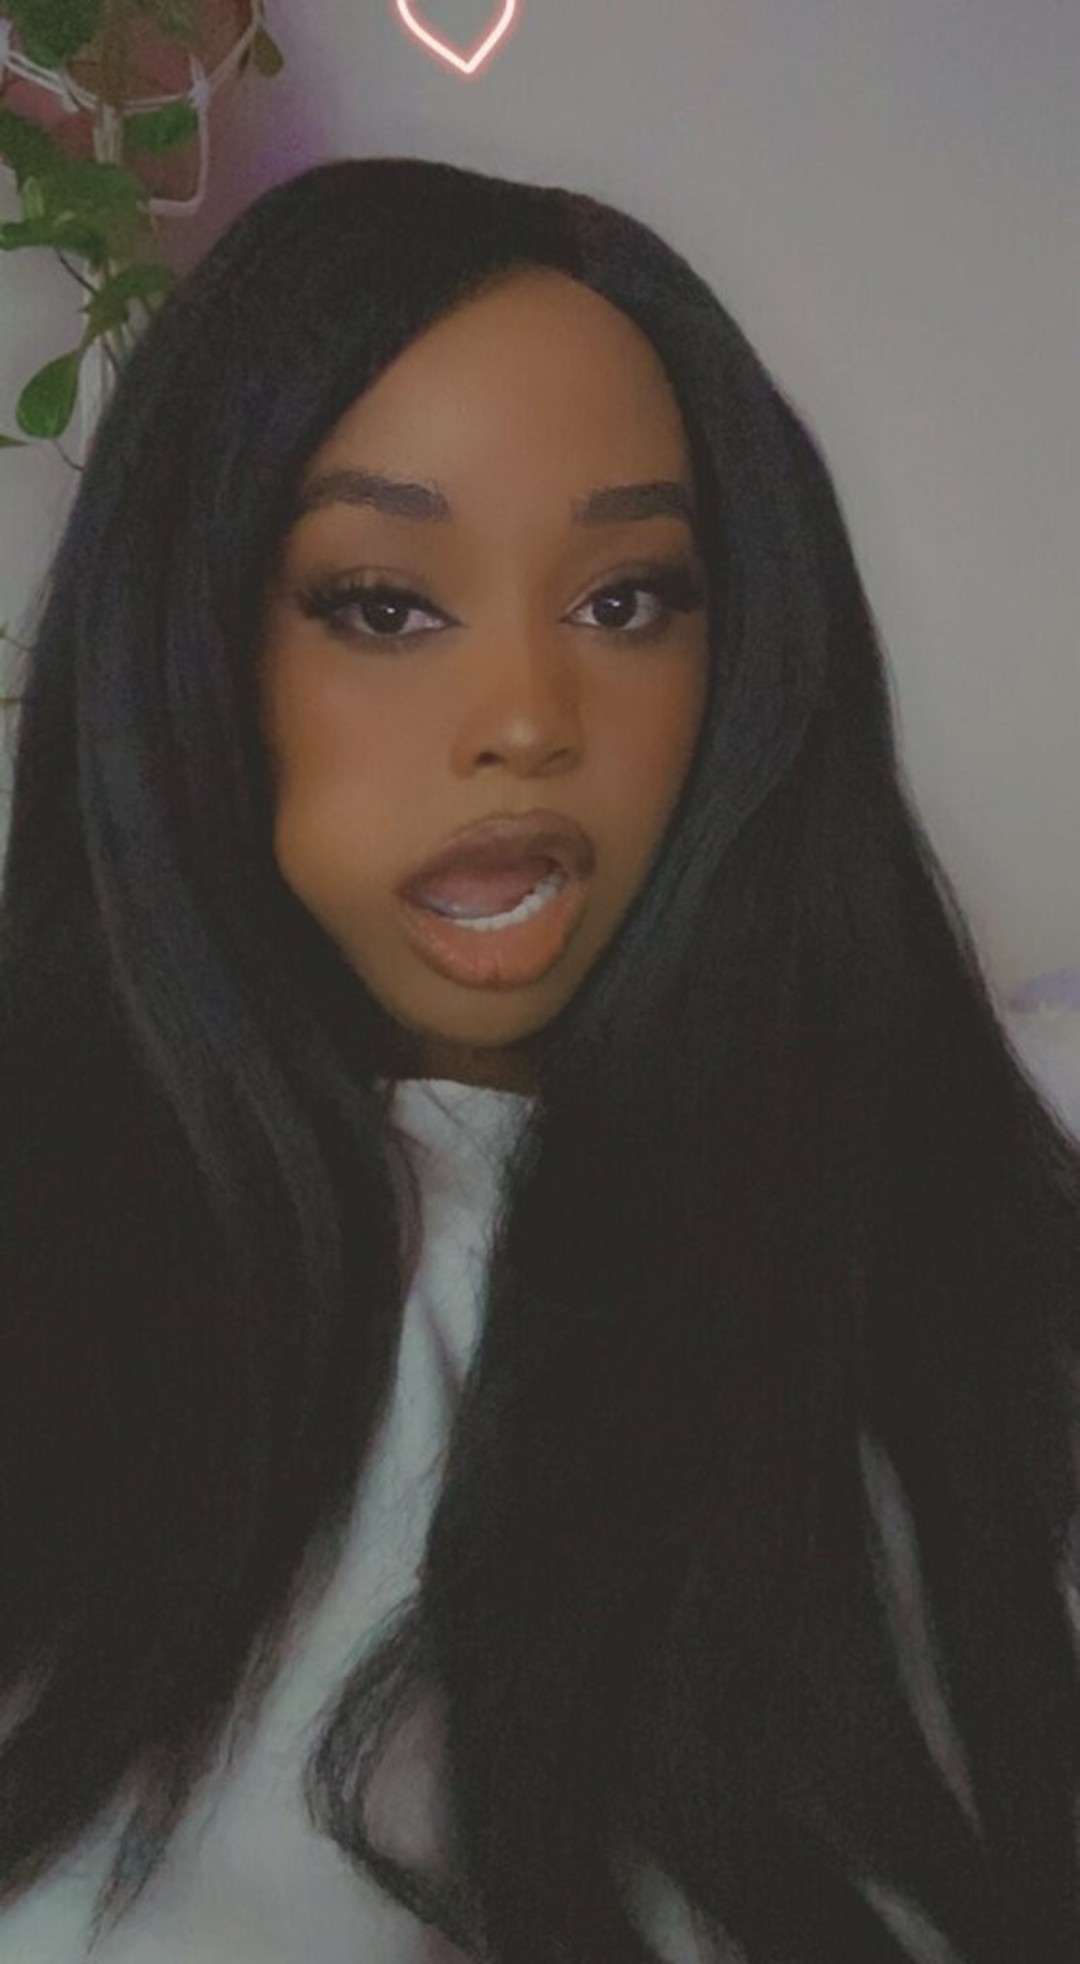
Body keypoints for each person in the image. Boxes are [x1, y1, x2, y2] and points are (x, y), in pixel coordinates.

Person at [0, 154, 1077, 1964]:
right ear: (191, 640)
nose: (526, 720)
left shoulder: (952, 1267)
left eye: (628, 599)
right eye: (383, 604)